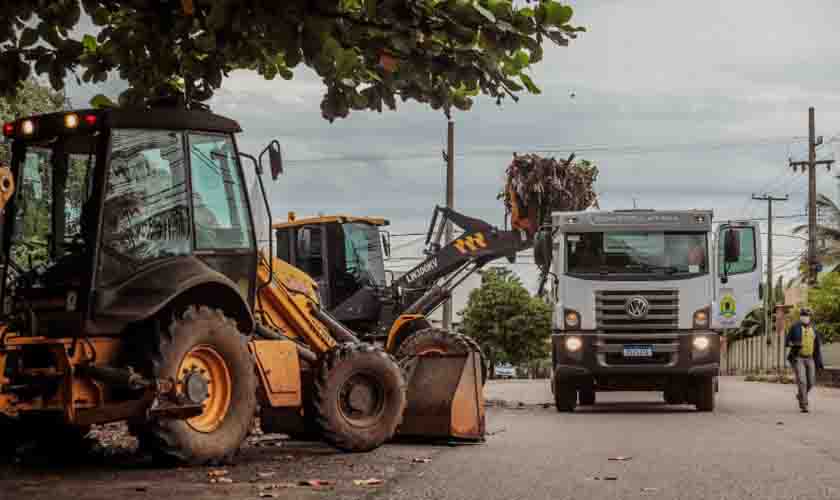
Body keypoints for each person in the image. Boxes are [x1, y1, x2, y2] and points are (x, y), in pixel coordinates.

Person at [785, 308, 824, 413]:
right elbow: (787, 342)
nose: (805, 317)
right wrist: (795, 344)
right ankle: (804, 405)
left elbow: (817, 348)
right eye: (803, 315)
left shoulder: (814, 329)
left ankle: (800, 395)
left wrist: (819, 363)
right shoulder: (794, 327)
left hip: (810, 358)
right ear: (800, 316)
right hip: (798, 357)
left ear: (810, 317)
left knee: (811, 382)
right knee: (802, 381)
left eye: (807, 315)